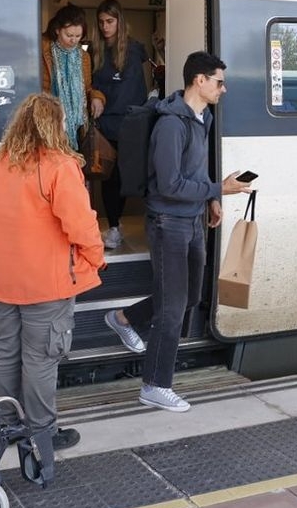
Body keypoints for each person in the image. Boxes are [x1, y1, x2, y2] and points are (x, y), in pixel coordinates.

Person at [103, 51, 252, 412]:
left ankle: (123, 318)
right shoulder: (171, 125)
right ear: (199, 81)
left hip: (192, 219)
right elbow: (169, 184)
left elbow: (195, 169)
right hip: (168, 222)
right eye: (218, 81)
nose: (223, 88)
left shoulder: (205, 117)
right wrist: (220, 190)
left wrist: (210, 200)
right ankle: (155, 385)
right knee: (172, 309)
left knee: (187, 298)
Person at [0, 92, 107, 455]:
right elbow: (80, 226)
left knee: (5, 353)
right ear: (54, 126)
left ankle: (5, 426)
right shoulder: (60, 167)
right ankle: (41, 435)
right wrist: (96, 258)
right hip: (45, 284)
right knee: (40, 360)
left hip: (0, 279)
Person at [91, 0, 150, 250]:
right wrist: (94, 96)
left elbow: (146, 83)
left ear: (119, 21)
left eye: (110, 21)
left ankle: (151, 222)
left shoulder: (137, 49)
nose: (105, 27)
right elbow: (89, 84)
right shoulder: (95, 51)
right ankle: (114, 226)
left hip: (132, 123)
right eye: (102, 22)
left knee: (135, 176)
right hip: (105, 125)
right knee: (110, 179)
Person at [41, 3, 106, 149]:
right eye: (69, 35)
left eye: (78, 36)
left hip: (76, 127)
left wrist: (97, 97)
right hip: (49, 123)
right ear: (57, 30)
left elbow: (86, 88)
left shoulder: (83, 57)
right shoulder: (42, 50)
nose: (73, 40)